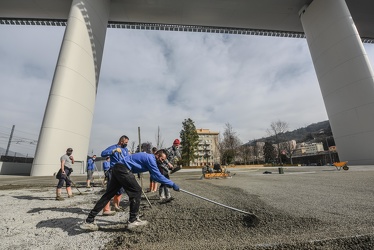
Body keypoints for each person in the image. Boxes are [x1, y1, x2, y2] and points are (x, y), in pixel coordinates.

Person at [80, 149, 180, 231]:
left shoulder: (150, 158)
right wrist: (172, 184)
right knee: (136, 191)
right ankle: (132, 220)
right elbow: (157, 176)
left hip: (117, 168)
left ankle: (89, 220)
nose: (161, 161)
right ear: (157, 154)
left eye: (163, 160)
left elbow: (154, 175)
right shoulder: (151, 158)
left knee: (108, 195)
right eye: (161, 159)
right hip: (123, 169)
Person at [100, 135, 130, 215]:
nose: (126, 144)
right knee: (110, 190)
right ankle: (106, 210)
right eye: (126, 142)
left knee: (120, 190)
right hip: (114, 170)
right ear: (121, 141)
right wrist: (113, 151)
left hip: (123, 171)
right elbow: (103, 153)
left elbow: (127, 159)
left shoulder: (125, 149)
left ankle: (116, 206)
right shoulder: (113, 147)